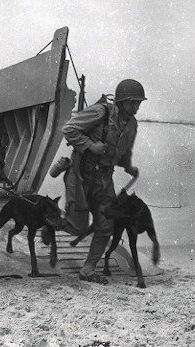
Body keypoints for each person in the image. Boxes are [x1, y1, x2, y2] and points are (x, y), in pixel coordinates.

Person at [62, 79, 146, 284]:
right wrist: (90, 145)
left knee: (105, 225)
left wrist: (128, 166)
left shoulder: (132, 125)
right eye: (132, 102)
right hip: (81, 176)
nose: (136, 107)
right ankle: (53, 225)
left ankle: (88, 269)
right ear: (121, 101)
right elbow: (69, 129)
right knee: (77, 227)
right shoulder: (101, 112)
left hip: (104, 180)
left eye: (138, 103)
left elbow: (124, 150)